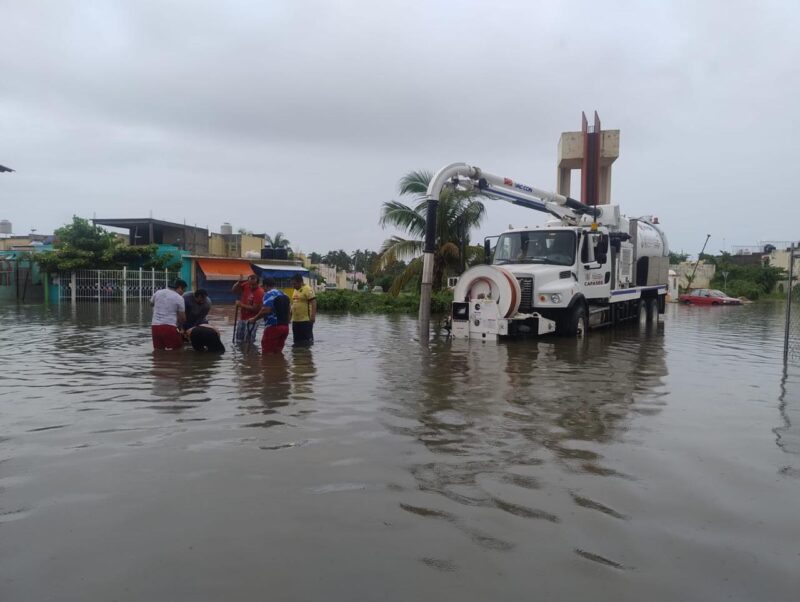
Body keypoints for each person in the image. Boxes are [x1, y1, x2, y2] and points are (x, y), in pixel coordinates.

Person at [248, 277, 291, 354]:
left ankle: (268, 366)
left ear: (265, 286)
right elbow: (289, 310)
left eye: (263, 287)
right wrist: (287, 322)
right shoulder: (284, 294)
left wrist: (254, 318)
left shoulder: (269, 294)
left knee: (267, 354)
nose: (263, 289)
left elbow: (266, 310)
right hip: (285, 328)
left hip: (273, 327)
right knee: (278, 353)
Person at [150, 279, 187, 350]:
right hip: (169, 327)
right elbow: (182, 318)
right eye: (183, 290)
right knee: (177, 351)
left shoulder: (158, 292)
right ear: (179, 288)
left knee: (158, 351)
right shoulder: (179, 298)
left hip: (155, 326)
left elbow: (151, 304)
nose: (183, 293)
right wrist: (181, 328)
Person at [232, 274, 264, 344]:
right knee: (238, 339)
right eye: (250, 284)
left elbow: (256, 309)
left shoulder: (259, 292)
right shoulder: (246, 285)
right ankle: (240, 353)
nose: (251, 286)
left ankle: (250, 354)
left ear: (257, 284)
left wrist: (241, 305)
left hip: (253, 319)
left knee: (248, 340)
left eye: (253, 285)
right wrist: (238, 283)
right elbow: (234, 290)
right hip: (243, 317)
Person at [290, 273, 316, 346]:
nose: (293, 286)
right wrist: (289, 316)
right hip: (295, 321)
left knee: (306, 342)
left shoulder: (307, 289)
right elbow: (293, 304)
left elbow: (313, 302)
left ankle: (306, 356)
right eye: (292, 284)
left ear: (300, 282)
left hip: (305, 320)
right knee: (296, 342)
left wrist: (313, 316)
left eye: (294, 284)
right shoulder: (295, 290)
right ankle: (298, 356)